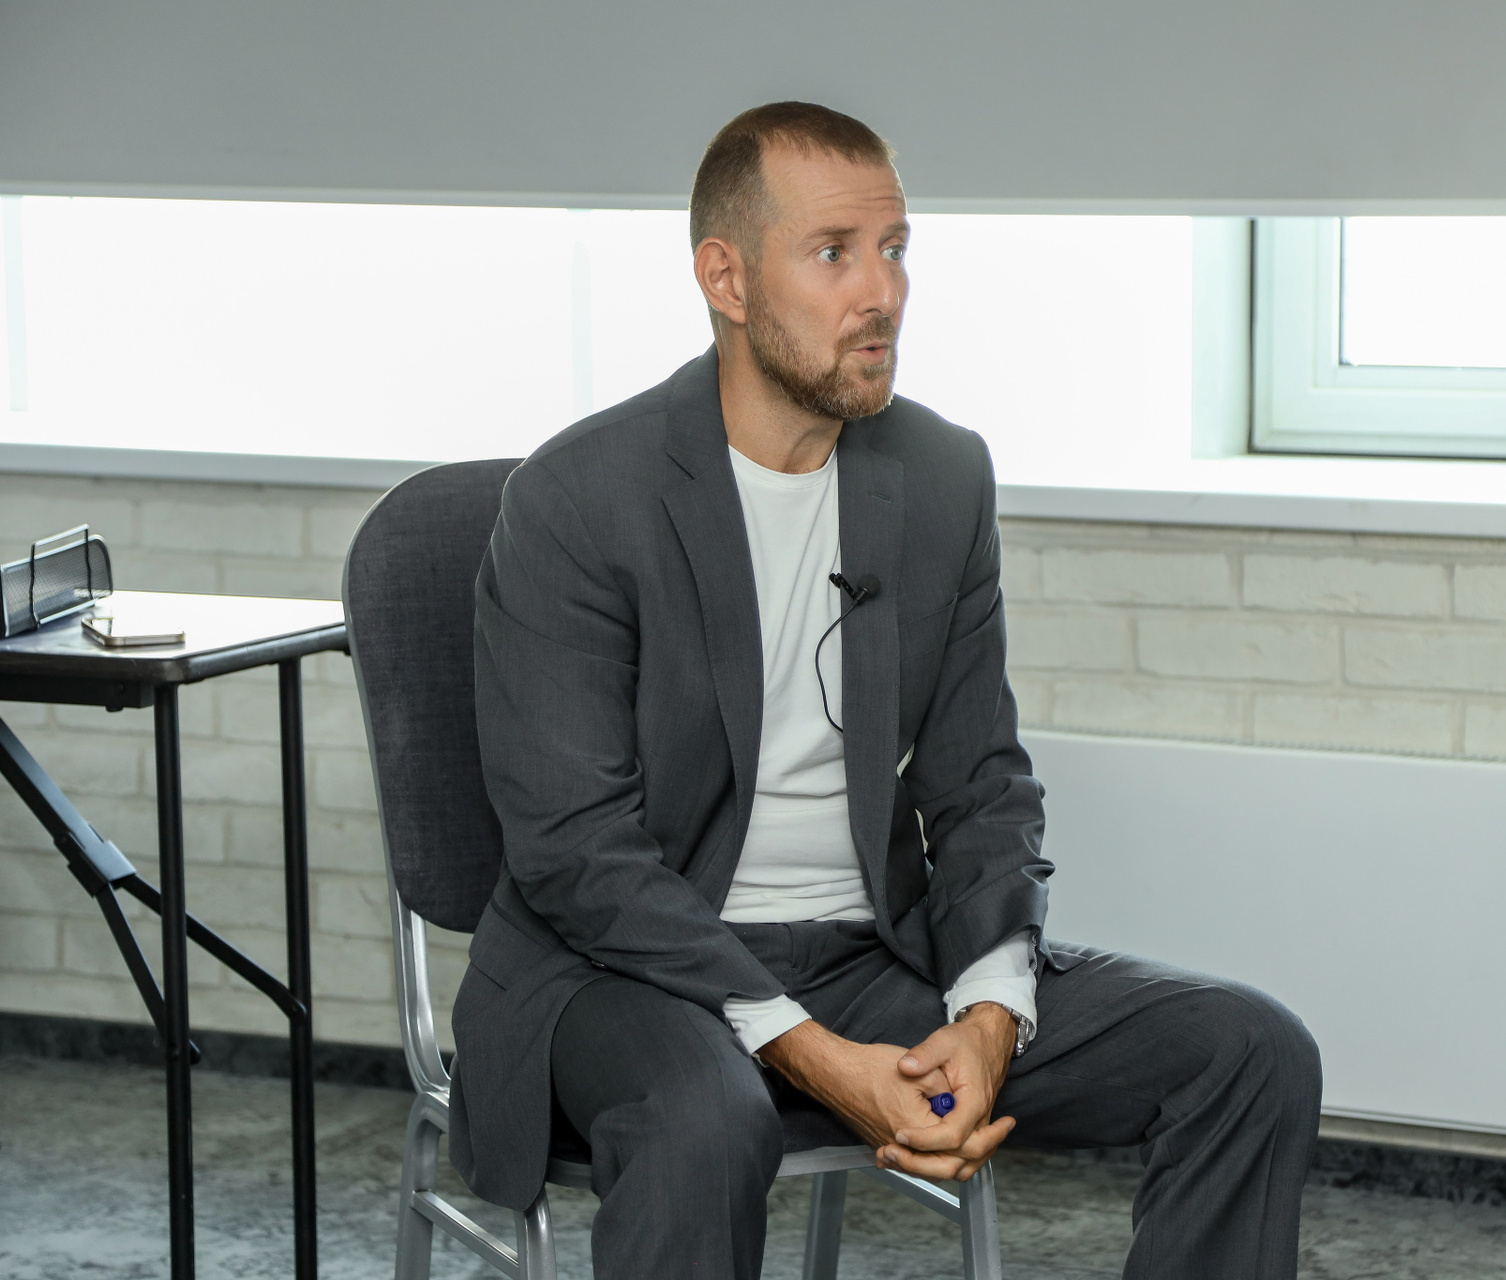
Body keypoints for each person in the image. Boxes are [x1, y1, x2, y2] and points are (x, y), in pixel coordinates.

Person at [450, 101, 1320, 1279]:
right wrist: (808, 1047)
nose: (883, 293)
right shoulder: (578, 499)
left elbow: (980, 783)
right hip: (621, 973)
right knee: (708, 1119)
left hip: (867, 955)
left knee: (1250, 1050)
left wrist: (989, 1012)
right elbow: (574, 853)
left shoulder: (940, 475)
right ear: (726, 278)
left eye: (895, 249)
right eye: (834, 253)